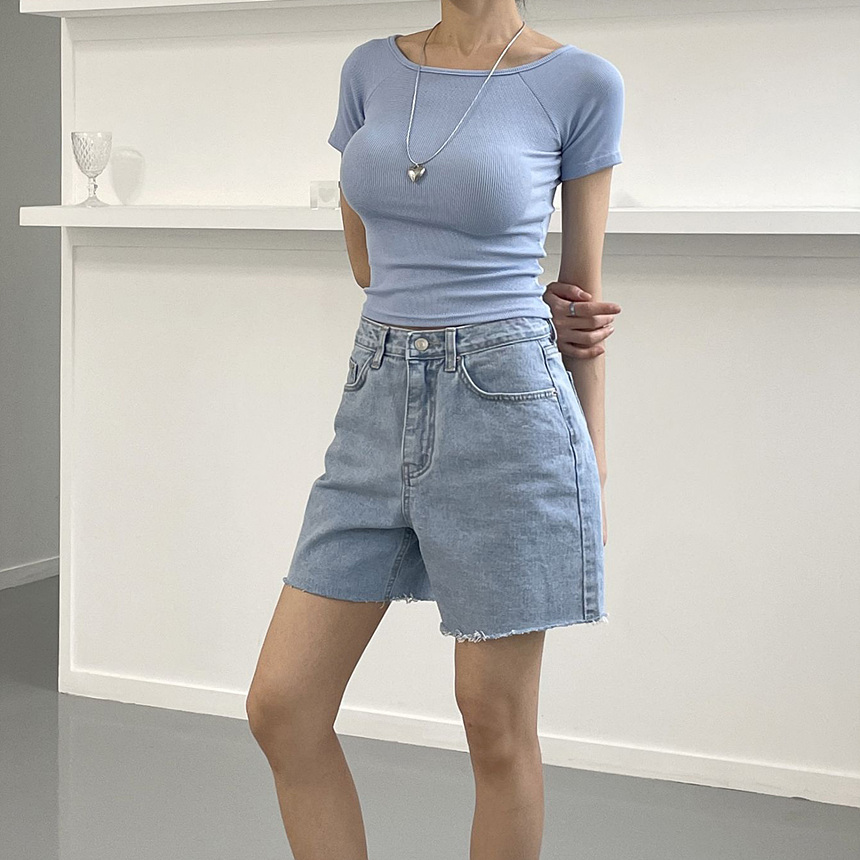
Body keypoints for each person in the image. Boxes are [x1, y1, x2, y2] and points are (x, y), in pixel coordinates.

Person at [246, 3, 625, 858]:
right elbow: (367, 262)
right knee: (283, 704)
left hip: (509, 409)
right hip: (374, 395)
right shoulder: (368, 70)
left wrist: (592, 466)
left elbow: (582, 304)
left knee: (493, 725)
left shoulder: (580, 83)